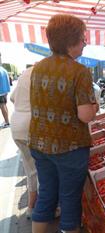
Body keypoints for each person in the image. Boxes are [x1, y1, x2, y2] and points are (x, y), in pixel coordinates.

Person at [28, 14, 99, 233]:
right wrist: (95, 106)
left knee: (47, 194)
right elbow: (85, 115)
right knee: (69, 201)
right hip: (69, 147)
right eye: (82, 38)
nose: (85, 42)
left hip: (39, 144)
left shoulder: (38, 68)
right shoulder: (79, 71)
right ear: (71, 41)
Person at [10, 67, 38, 219]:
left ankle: (31, 207)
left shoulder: (25, 73)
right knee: (41, 169)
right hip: (30, 124)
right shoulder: (42, 73)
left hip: (16, 123)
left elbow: (12, 98)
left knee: (30, 169)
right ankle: (40, 209)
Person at [0, 58, 10, 128]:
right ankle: (7, 121)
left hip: (0, 91)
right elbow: (8, 81)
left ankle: (7, 122)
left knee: (2, 106)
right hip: (5, 91)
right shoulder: (4, 70)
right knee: (4, 106)